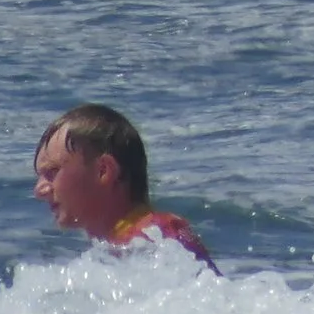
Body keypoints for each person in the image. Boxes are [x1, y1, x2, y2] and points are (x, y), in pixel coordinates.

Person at [32, 103, 217, 271]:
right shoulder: (119, 249)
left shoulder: (159, 234)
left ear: (103, 171)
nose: (39, 191)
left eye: (52, 172)